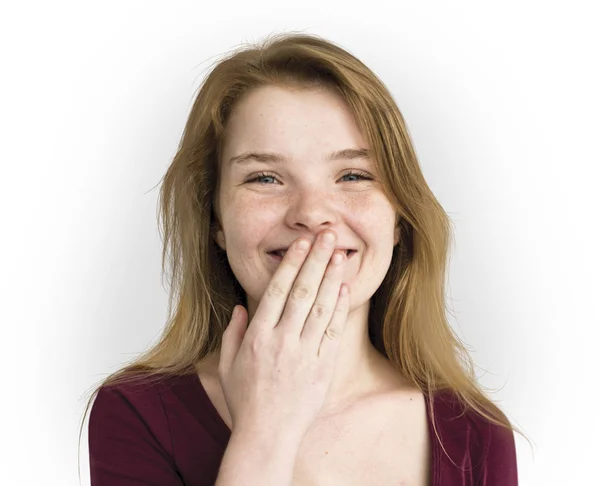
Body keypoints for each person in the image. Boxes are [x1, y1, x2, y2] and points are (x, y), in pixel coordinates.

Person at [81, 32, 525, 485]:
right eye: (265, 178)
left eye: (353, 175)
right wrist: (266, 430)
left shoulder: (476, 435)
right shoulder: (136, 414)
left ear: (398, 219)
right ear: (215, 218)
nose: (312, 213)